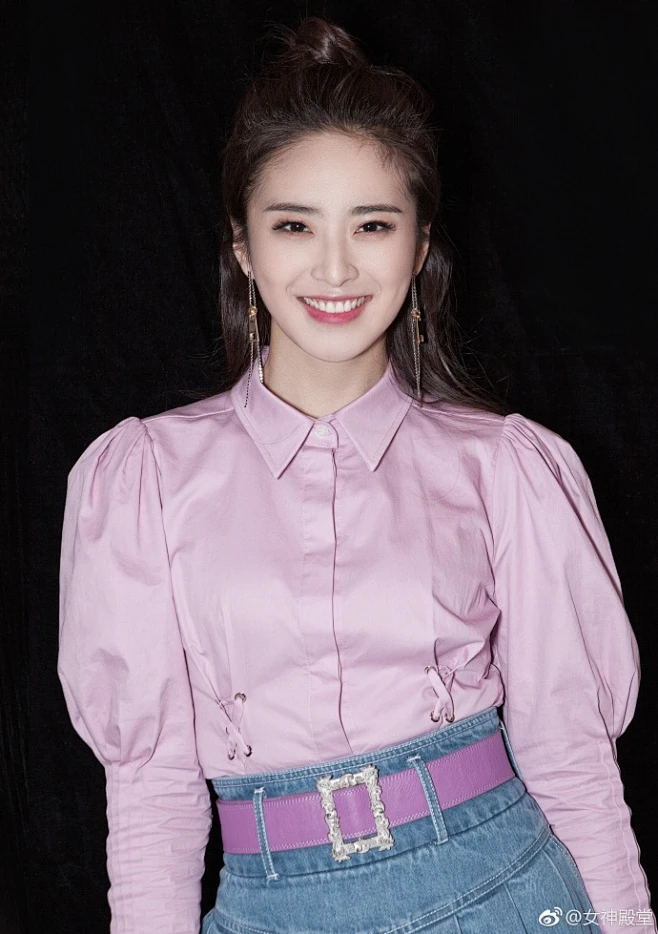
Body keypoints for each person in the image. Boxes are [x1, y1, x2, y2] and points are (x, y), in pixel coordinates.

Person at [57, 16, 655, 934]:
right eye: (294, 225)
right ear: (243, 246)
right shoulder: (143, 478)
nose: (334, 267)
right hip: (266, 908)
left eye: (373, 225)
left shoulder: (507, 468)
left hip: (501, 891)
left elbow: (571, 756)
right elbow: (149, 793)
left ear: (419, 246)